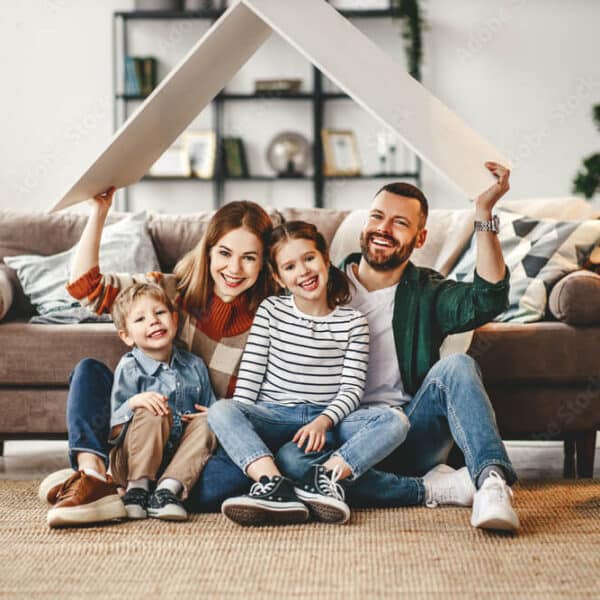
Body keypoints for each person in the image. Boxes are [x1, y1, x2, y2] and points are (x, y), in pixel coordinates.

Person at [277, 162, 521, 531]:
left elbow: (488, 299)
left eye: (400, 223)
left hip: (409, 432)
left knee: (457, 367)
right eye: (377, 216)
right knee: (292, 462)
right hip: (342, 435)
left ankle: (489, 482)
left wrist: (483, 213)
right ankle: (432, 489)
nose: (383, 229)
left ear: (419, 239)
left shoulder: (428, 291)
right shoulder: (320, 285)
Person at [41, 190, 276, 526]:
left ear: (264, 261)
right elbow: (85, 288)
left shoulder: (270, 319)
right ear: (207, 251)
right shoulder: (167, 292)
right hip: (141, 436)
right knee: (89, 371)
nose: (234, 268)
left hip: (200, 444)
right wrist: (99, 211)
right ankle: (91, 476)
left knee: (227, 484)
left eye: (250, 257)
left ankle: (146, 489)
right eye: (224, 253)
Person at [208, 221, 410, 526]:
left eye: (309, 259)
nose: (302, 271)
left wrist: (322, 421)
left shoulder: (353, 322)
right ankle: (275, 485)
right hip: (274, 415)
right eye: (289, 266)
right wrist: (241, 420)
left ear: (326, 259)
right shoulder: (271, 310)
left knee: (395, 420)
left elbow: (352, 390)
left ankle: (325, 476)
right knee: (221, 410)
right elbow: (249, 380)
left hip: (326, 423)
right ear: (278, 277)